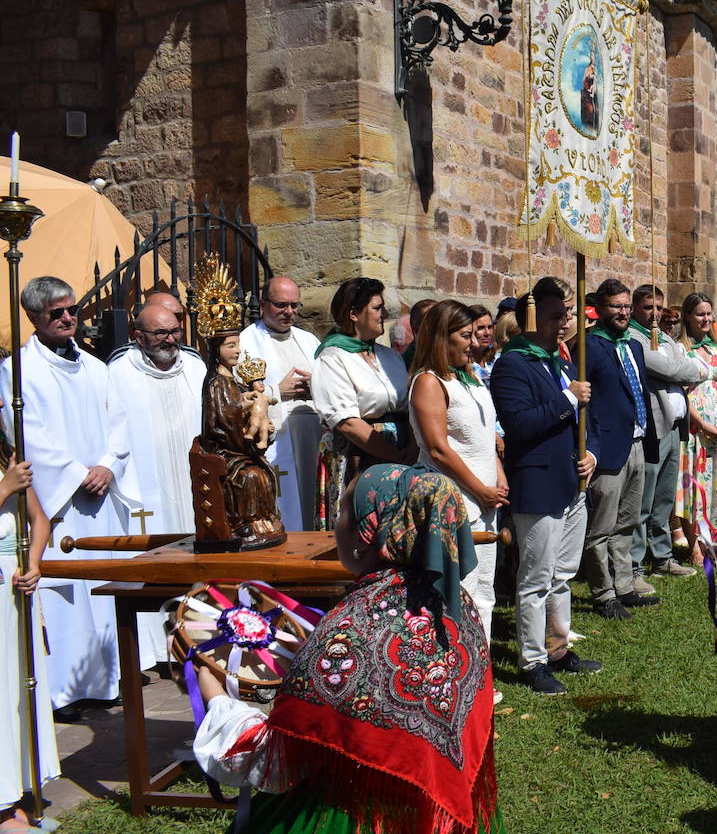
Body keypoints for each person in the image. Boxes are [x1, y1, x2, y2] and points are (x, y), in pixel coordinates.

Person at [193, 464, 501, 834]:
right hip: (437, 816)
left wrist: (213, 694)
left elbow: (270, 760)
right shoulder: (454, 605)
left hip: (348, 818)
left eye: (342, 511)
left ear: (368, 531)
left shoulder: (354, 625)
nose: (334, 524)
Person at [1, 277, 136, 720]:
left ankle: (106, 679)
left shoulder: (96, 368)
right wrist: (78, 474)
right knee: (66, 595)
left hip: (100, 492)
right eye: (56, 312)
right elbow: (26, 436)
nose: (67, 318)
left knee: (103, 587)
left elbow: (119, 425)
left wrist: (108, 467)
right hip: (59, 501)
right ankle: (64, 690)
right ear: (33, 317)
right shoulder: (17, 371)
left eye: (72, 309)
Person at [489, 278, 599, 695]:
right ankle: (532, 659)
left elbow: (594, 421)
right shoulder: (513, 365)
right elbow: (519, 424)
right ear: (531, 318)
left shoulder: (563, 362)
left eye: (566, 315)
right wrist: (568, 400)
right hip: (536, 482)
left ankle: (557, 648)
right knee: (535, 577)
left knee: (563, 574)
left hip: (573, 480)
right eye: (555, 316)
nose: (563, 324)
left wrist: (594, 455)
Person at [107, 301, 206, 668]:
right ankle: (155, 650)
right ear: (138, 336)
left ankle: (198, 637)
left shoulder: (195, 367)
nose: (170, 339)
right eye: (160, 333)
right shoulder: (118, 373)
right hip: (147, 488)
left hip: (192, 482)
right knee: (154, 564)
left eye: (175, 331)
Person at [409, 300, 506, 642]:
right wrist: (479, 489)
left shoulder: (470, 377)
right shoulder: (429, 382)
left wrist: (497, 478)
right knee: (458, 587)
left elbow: (483, 435)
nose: (473, 342)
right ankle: (452, 669)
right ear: (441, 337)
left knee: (484, 589)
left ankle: (481, 671)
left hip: (485, 497)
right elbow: (438, 448)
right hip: (455, 497)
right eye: (465, 335)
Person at [577, 279, 656, 619]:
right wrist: (590, 445)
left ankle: (624, 584)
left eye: (626, 306)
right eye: (616, 306)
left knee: (628, 521)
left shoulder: (634, 345)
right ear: (601, 309)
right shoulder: (589, 346)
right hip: (607, 448)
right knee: (602, 527)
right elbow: (585, 403)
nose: (623, 312)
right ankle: (603, 592)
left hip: (636, 441)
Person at [312, 278, 412, 530]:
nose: (384, 314)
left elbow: (407, 406)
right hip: (359, 455)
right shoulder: (333, 358)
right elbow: (346, 423)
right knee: (364, 528)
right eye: (377, 308)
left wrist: (410, 449)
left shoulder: (389, 356)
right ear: (354, 314)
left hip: (403, 452)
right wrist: (396, 455)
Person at [0, 422, 60, 816]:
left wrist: (34, 562)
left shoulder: (5, 456)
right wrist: (4, 489)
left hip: (14, 584)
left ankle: (17, 784)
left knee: (18, 688)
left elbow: (39, 519)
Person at [626, 285, 703, 581]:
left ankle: (662, 555)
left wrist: (684, 367)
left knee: (664, 497)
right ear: (635, 308)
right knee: (643, 499)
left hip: (673, 427)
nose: (655, 313)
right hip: (652, 426)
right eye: (648, 307)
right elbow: (671, 369)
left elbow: (681, 363)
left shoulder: (664, 337)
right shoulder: (634, 338)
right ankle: (634, 562)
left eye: (659, 307)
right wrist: (687, 369)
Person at [238, 276, 321, 531]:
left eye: (295, 306)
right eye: (281, 305)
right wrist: (277, 392)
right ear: (263, 303)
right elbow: (239, 400)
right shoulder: (246, 342)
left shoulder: (309, 340)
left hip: (314, 438)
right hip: (279, 441)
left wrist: (316, 386)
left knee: (315, 503)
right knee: (288, 509)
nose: (289, 312)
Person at [674, 293, 717, 560]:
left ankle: (714, 540)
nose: (706, 318)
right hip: (695, 429)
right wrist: (702, 424)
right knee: (693, 486)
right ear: (687, 316)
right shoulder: (679, 350)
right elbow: (682, 393)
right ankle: (694, 545)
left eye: (709, 313)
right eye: (700, 314)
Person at [467, 304, 497, 386]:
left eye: (490, 327)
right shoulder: (463, 365)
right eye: (480, 328)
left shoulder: (497, 360)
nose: (487, 333)